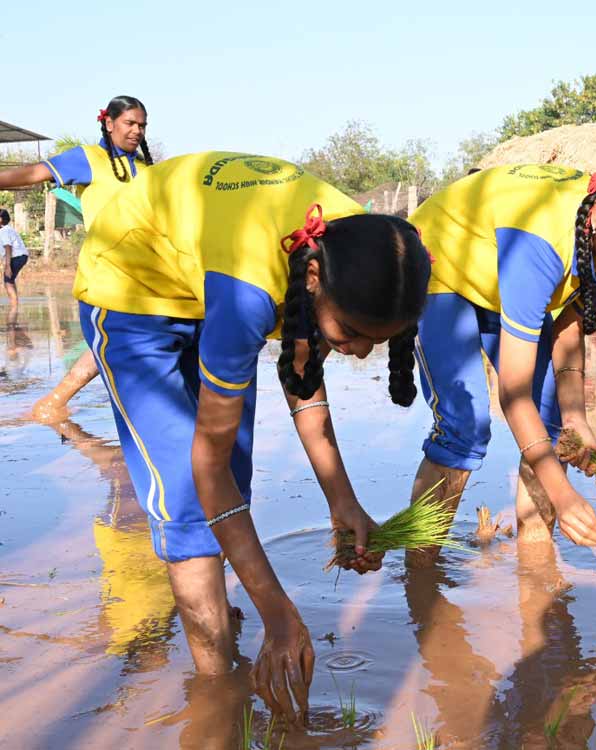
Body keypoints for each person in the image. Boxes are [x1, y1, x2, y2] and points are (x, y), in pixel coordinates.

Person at [74, 151, 430, 722]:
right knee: (191, 503)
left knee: (233, 482)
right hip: (134, 289)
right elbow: (205, 470)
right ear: (312, 279)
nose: (360, 353)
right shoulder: (254, 290)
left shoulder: (362, 250)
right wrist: (279, 612)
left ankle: (222, 622)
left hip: (204, 269)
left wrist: (343, 501)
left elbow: (302, 381)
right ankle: (218, 701)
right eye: (355, 334)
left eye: (377, 342)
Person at [405, 164, 596, 555]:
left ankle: (537, 564)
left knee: (554, 427)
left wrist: (576, 418)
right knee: (463, 427)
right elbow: (514, 394)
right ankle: (422, 567)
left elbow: (569, 327)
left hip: (496, 276)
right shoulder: (540, 244)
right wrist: (563, 493)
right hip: (441, 263)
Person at [0, 96, 155, 421]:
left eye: (142, 125)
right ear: (109, 123)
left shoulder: (145, 170)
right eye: (130, 123)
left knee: (114, 340)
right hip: (108, 275)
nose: (137, 131)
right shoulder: (89, 158)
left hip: (147, 275)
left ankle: (54, 402)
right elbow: (34, 173)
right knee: (117, 339)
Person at [1, 209, 28, 308]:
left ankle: (14, 307)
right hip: (21, 256)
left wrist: (7, 266)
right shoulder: (8, 229)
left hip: (17, 257)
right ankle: (15, 304)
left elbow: (8, 247)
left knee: (7, 282)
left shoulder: (4, 231)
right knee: (10, 281)